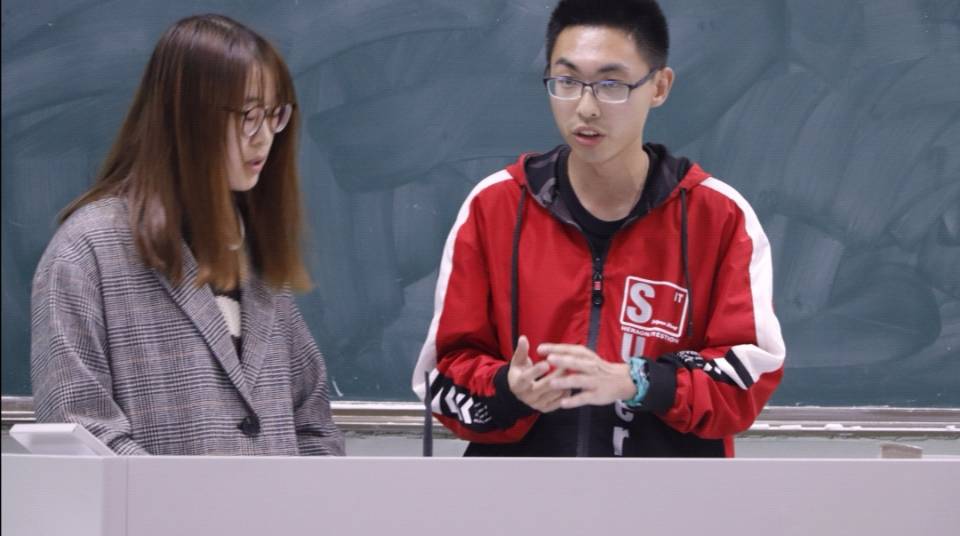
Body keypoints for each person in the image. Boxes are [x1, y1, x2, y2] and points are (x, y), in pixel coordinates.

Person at [412, 0, 785, 457]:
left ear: (659, 87)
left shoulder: (719, 216)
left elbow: (749, 375)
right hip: (519, 494)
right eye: (567, 82)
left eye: (611, 85)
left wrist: (640, 381)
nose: (586, 108)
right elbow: (443, 372)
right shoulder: (495, 207)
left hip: (669, 495)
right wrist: (509, 389)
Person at [31, 14, 344, 456]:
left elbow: (313, 427)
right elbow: (82, 433)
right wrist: (184, 496)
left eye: (274, 114)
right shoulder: (88, 251)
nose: (264, 138)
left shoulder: (253, 251)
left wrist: (299, 496)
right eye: (248, 115)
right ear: (186, 118)